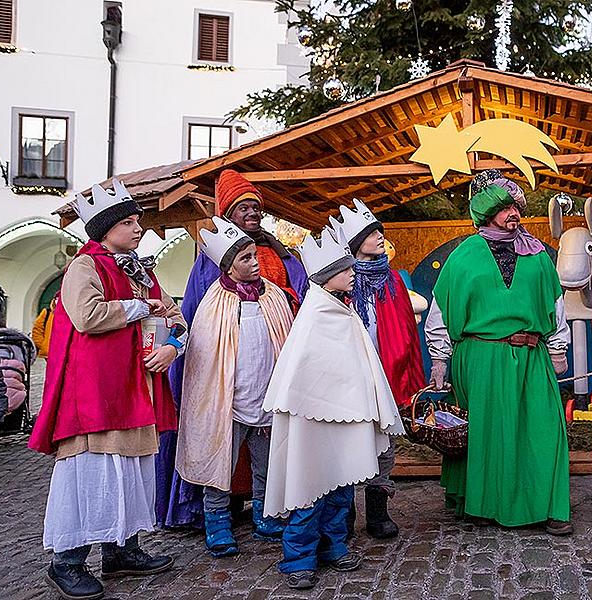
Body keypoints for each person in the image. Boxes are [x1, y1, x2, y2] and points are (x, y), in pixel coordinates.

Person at [28, 179, 186, 600]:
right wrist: (140, 307)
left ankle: (122, 551)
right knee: (91, 474)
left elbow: (176, 316)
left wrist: (172, 347)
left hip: (138, 390)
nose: (139, 229)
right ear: (106, 227)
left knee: (131, 472)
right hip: (96, 392)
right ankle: (66, 562)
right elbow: (86, 315)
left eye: (139, 221)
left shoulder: (140, 270)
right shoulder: (85, 266)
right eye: (130, 222)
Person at [424, 171, 572, 534]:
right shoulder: (463, 256)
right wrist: (440, 360)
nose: (513, 214)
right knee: (487, 434)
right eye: (504, 207)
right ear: (486, 211)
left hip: (531, 356)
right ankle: (482, 502)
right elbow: (441, 310)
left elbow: (555, 305)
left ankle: (549, 505)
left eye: (516, 206)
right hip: (479, 358)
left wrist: (557, 349)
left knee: (542, 429)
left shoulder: (537, 256)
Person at [160, 168, 307, 529]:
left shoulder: (281, 254)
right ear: (229, 214)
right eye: (243, 208)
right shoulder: (211, 267)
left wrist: (288, 301)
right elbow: (198, 320)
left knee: (265, 453)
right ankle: (218, 515)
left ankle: (265, 509)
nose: (253, 213)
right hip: (227, 375)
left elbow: (301, 294)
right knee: (219, 445)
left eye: (256, 207)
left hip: (268, 370)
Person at [262, 227, 404, 590]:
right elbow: (304, 374)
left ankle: (334, 546)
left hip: (345, 418)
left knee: (340, 488)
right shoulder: (314, 317)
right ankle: (299, 557)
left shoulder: (343, 312)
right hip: (312, 423)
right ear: (329, 277)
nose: (353, 274)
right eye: (347, 270)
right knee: (308, 491)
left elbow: (359, 365)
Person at [176, 217, 293, 557]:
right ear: (228, 265)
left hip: (266, 395)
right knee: (219, 463)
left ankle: (266, 515)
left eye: (255, 256)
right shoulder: (215, 302)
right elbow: (205, 358)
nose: (255, 263)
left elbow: (283, 339)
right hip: (227, 398)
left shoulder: (272, 296)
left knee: (267, 464)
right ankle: (217, 522)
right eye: (246, 259)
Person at [327, 199, 425, 539]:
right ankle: (345, 513)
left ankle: (378, 511)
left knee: (383, 445)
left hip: (385, 373)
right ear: (355, 244)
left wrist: (405, 376)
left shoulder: (393, 281)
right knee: (349, 442)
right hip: (350, 375)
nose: (379, 236)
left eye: (379, 230)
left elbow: (406, 333)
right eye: (371, 233)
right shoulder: (340, 282)